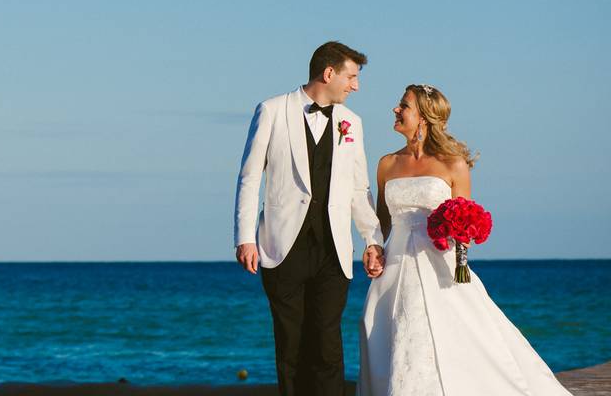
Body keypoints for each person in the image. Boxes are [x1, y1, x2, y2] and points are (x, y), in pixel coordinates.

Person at [357, 84, 572, 396]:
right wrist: (373, 249)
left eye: (403, 105)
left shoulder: (453, 164)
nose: (395, 109)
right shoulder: (387, 164)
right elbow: (383, 222)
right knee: (383, 330)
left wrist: (460, 241)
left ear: (423, 118)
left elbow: (465, 219)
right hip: (395, 268)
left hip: (438, 265)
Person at [234, 41, 385, 396]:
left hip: (333, 249)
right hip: (281, 247)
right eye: (351, 77)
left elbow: (358, 186)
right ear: (328, 73)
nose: (355, 86)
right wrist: (245, 237)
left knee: (328, 343)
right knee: (291, 344)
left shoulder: (352, 122)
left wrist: (372, 238)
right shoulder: (272, 110)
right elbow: (250, 176)